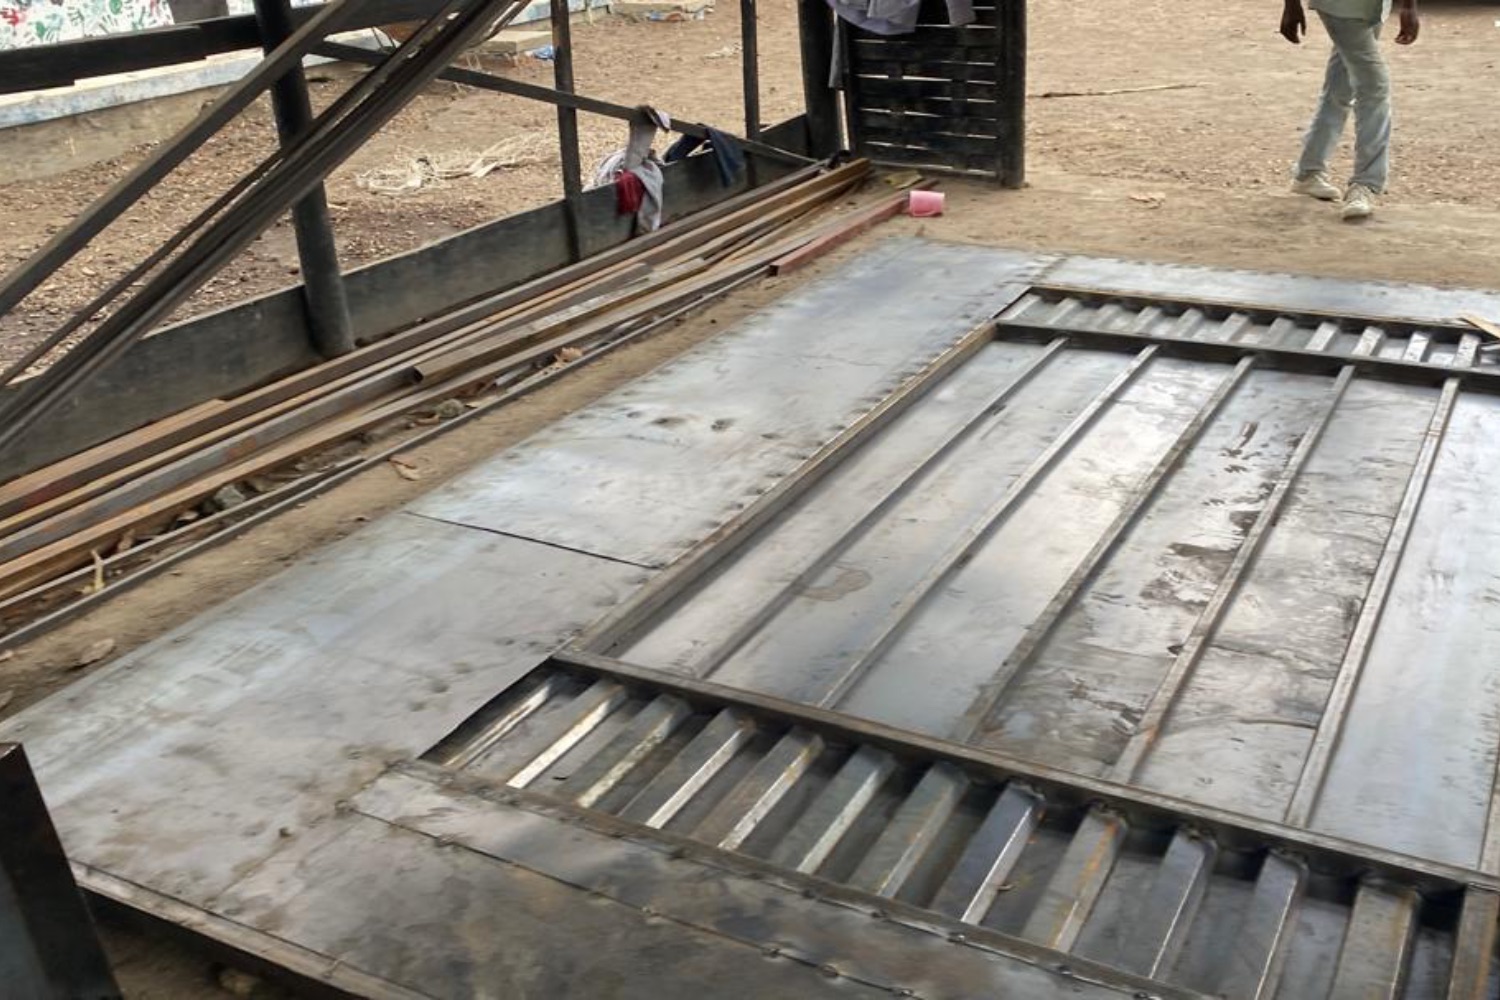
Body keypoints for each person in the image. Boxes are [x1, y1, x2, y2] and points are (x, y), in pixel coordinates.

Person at [1280, 0, 1419, 221]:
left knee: (1341, 83)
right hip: (1340, 7)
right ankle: (1366, 183)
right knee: (1374, 87)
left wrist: (1409, 6)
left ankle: (1309, 170)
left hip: (1373, 7)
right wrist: (1291, 5)